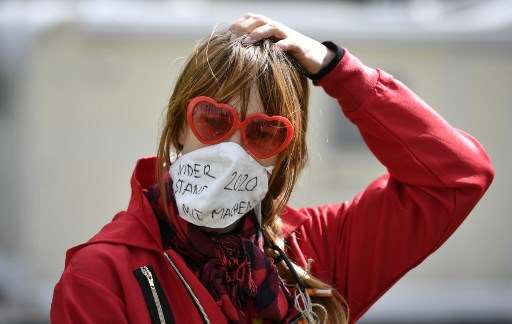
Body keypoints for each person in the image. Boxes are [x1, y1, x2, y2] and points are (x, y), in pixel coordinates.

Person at [50, 13, 495, 324]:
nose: (232, 147)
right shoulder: (101, 275)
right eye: (213, 119)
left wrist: (336, 70)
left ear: (286, 151)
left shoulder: (316, 250)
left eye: (263, 132)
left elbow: (456, 175)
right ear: (178, 126)